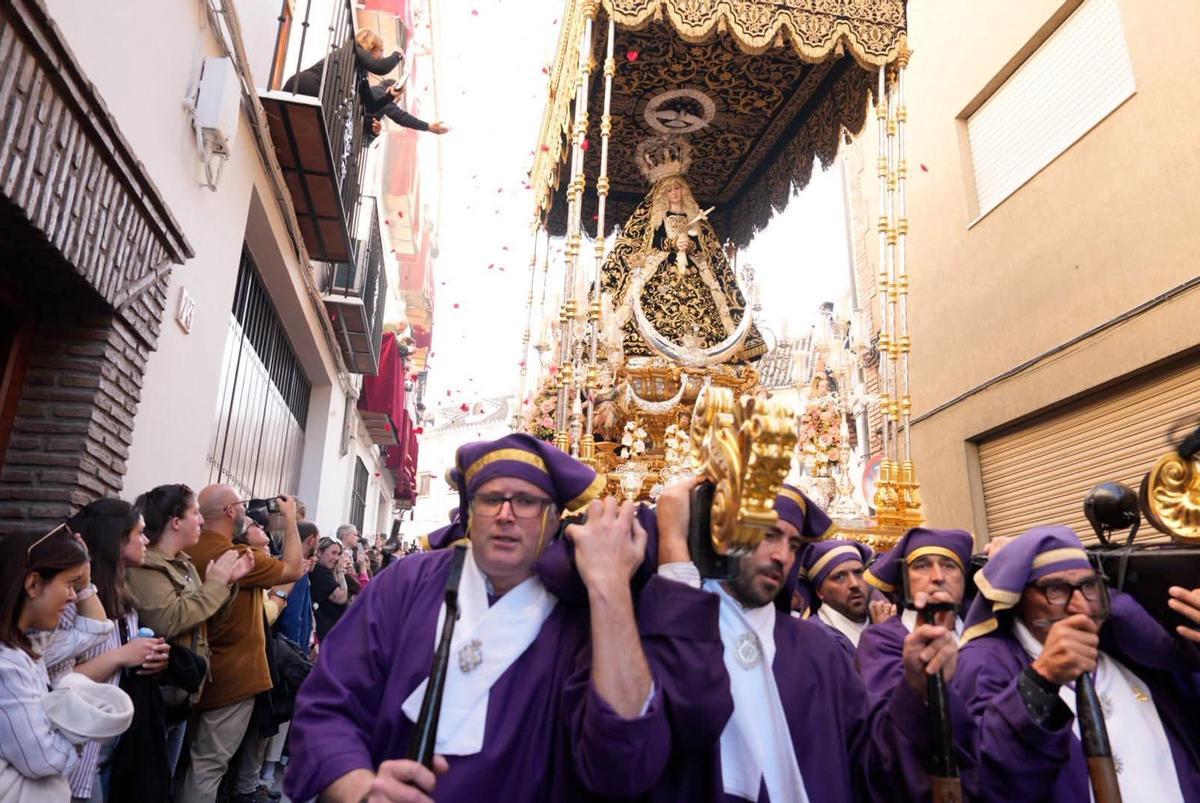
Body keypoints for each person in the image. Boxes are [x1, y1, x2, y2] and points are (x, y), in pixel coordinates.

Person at [285, 433, 685, 802]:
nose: (506, 515)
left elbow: (624, 763)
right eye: (491, 499)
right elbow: (327, 707)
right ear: (471, 512)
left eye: (527, 502)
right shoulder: (407, 584)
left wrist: (610, 587)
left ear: (554, 518)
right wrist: (362, 789)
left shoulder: (581, 607)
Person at [653, 478, 971, 802]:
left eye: (793, 545)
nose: (782, 556)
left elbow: (872, 760)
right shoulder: (675, 632)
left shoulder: (817, 649)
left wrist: (915, 691)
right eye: (768, 535)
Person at [954, 525, 1200, 801]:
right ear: (1018, 598)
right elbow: (986, 781)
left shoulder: (1137, 658)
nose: (1080, 605)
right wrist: (1041, 680)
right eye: (1055, 589)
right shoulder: (986, 667)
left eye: (1088, 586)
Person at [177, 488, 303, 803]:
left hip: (191, 669)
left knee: (189, 762)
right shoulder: (237, 555)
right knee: (208, 765)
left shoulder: (188, 551)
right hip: (232, 675)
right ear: (232, 511)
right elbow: (293, 569)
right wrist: (289, 521)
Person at [599, 135, 765, 363]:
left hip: (695, 273)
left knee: (711, 308)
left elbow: (707, 248)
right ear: (662, 195)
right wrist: (671, 244)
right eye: (669, 190)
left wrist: (690, 244)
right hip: (661, 272)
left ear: (684, 191)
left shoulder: (695, 219)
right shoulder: (657, 218)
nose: (674, 192)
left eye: (677, 188)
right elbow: (651, 243)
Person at [46, 499, 170, 803]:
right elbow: (52, 680)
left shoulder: (121, 595)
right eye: (139, 533)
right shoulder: (69, 601)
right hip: (70, 758)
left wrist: (150, 655)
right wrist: (122, 655)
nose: (146, 540)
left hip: (105, 751)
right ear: (116, 538)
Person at [127, 483, 253, 776]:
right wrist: (216, 585)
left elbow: (206, 622)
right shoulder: (147, 567)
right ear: (175, 521)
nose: (201, 520)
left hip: (182, 689)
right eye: (195, 513)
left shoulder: (185, 565)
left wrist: (227, 584)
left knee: (167, 778)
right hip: (157, 691)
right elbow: (170, 619)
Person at [0, 526, 132, 799]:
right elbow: (45, 760)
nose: (74, 596)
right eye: (71, 583)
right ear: (33, 584)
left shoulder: (32, 645)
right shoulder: (7, 665)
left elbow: (96, 628)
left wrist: (85, 583)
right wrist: (79, 725)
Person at [857, 527, 974, 703]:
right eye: (922, 566)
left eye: (949, 565)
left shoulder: (980, 635)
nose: (938, 577)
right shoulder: (879, 641)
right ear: (904, 580)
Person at [798, 539, 875, 648]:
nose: (854, 584)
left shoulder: (882, 622)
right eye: (839, 577)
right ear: (819, 591)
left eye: (858, 573)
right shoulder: (812, 637)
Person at [310, 537, 350, 642]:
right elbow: (341, 597)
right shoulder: (320, 572)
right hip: (326, 633)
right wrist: (341, 572)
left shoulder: (325, 571)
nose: (336, 558)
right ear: (319, 552)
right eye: (333, 553)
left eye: (338, 554)